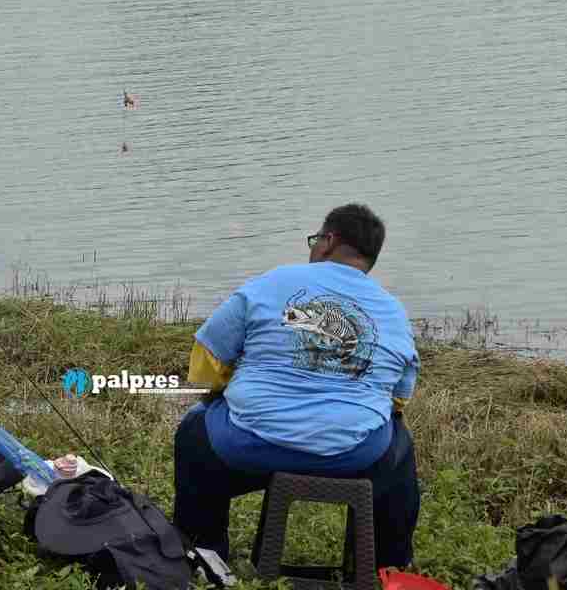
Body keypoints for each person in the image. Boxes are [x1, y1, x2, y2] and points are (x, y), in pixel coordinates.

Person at [172, 203, 420, 569]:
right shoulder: (393, 311)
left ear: (327, 241)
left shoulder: (270, 283)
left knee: (194, 430)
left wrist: (223, 392)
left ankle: (202, 554)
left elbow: (208, 362)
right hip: (353, 458)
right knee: (398, 444)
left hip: (247, 448)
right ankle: (384, 565)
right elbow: (399, 398)